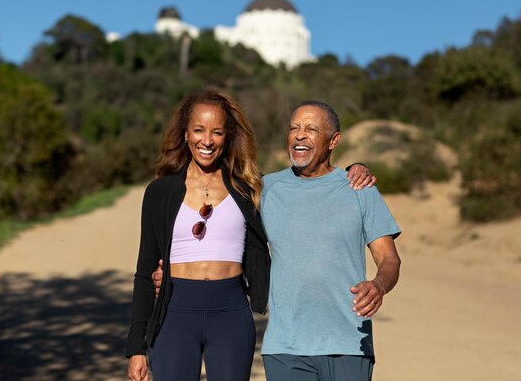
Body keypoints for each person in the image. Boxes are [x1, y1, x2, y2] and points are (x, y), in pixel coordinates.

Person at [126, 90, 376, 381]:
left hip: (231, 313)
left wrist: (355, 170)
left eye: (217, 132)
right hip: (174, 313)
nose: (206, 141)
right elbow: (145, 273)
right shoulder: (160, 192)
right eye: (198, 130)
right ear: (184, 134)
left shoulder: (250, 189)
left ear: (227, 137)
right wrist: (136, 348)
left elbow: (307, 187)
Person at [260, 100, 401, 381]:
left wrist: (379, 285)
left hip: (348, 342)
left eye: (311, 128)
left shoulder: (360, 188)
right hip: (284, 345)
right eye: (294, 128)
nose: (299, 135)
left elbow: (389, 258)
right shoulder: (266, 190)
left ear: (333, 140)